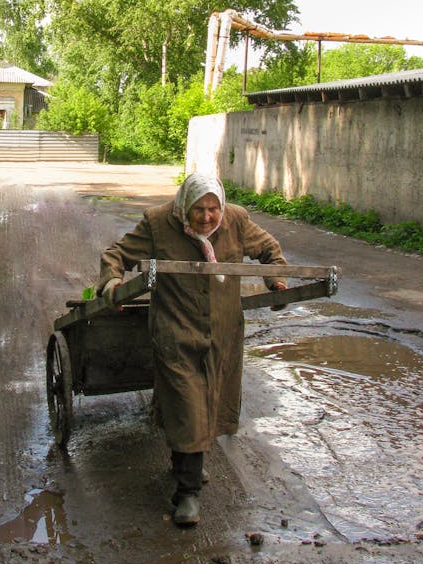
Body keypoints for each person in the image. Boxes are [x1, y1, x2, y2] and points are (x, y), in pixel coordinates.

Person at [97, 173, 288, 526]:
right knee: (187, 403)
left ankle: (189, 460)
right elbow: (117, 254)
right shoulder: (158, 223)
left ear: (222, 206)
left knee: (212, 400)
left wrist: (275, 278)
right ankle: (187, 494)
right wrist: (112, 279)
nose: (206, 218)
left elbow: (268, 250)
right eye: (198, 209)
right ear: (184, 206)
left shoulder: (237, 220)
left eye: (213, 209)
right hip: (176, 329)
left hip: (223, 330)